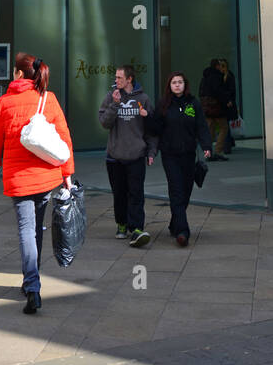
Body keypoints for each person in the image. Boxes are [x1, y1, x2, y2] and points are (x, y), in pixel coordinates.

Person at [0, 53, 74, 315]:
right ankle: (31, 280)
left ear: (19, 74)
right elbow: (64, 138)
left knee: (26, 229)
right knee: (37, 226)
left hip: (19, 178)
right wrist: (66, 172)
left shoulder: (3, 103)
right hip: (46, 176)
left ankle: (32, 286)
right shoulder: (49, 99)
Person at [148, 72, 211, 246]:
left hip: (189, 154)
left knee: (186, 192)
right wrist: (146, 116)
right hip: (170, 155)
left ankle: (174, 223)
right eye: (174, 82)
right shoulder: (164, 104)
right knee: (176, 190)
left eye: (180, 82)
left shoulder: (193, 103)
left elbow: (202, 126)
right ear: (169, 86)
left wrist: (206, 146)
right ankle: (183, 231)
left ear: (185, 84)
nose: (177, 85)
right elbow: (155, 128)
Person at [98, 64, 157, 247]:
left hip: (136, 154)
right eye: (115, 78)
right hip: (115, 156)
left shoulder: (143, 99)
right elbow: (104, 123)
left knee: (136, 193)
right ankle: (122, 224)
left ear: (129, 79)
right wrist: (115, 105)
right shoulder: (111, 97)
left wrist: (151, 151)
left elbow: (152, 129)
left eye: (119, 78)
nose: (116, 81)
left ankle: (137, 227)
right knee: (119, 194)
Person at [199, 59, 229, 159]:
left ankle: (208, 152)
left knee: (209, 129)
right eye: (220, 65)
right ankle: (218, 150)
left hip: (206, 107)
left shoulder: (205, 77)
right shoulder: (217, 76)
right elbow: (219, 92)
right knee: (224, 127)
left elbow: (201, 92)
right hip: (216, 107)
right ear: (217, 66)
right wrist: (226, 101)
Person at [218, 57, 239, 153]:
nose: (221, 68)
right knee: (225, 124)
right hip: (225, 103)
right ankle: (229, 143)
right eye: (220, 66)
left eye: (223, 66)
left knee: (225, 124)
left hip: (227, 103)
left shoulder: (229, 76)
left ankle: (227, 146)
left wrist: (229, 100)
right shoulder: (221, 76)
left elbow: (231, 90)